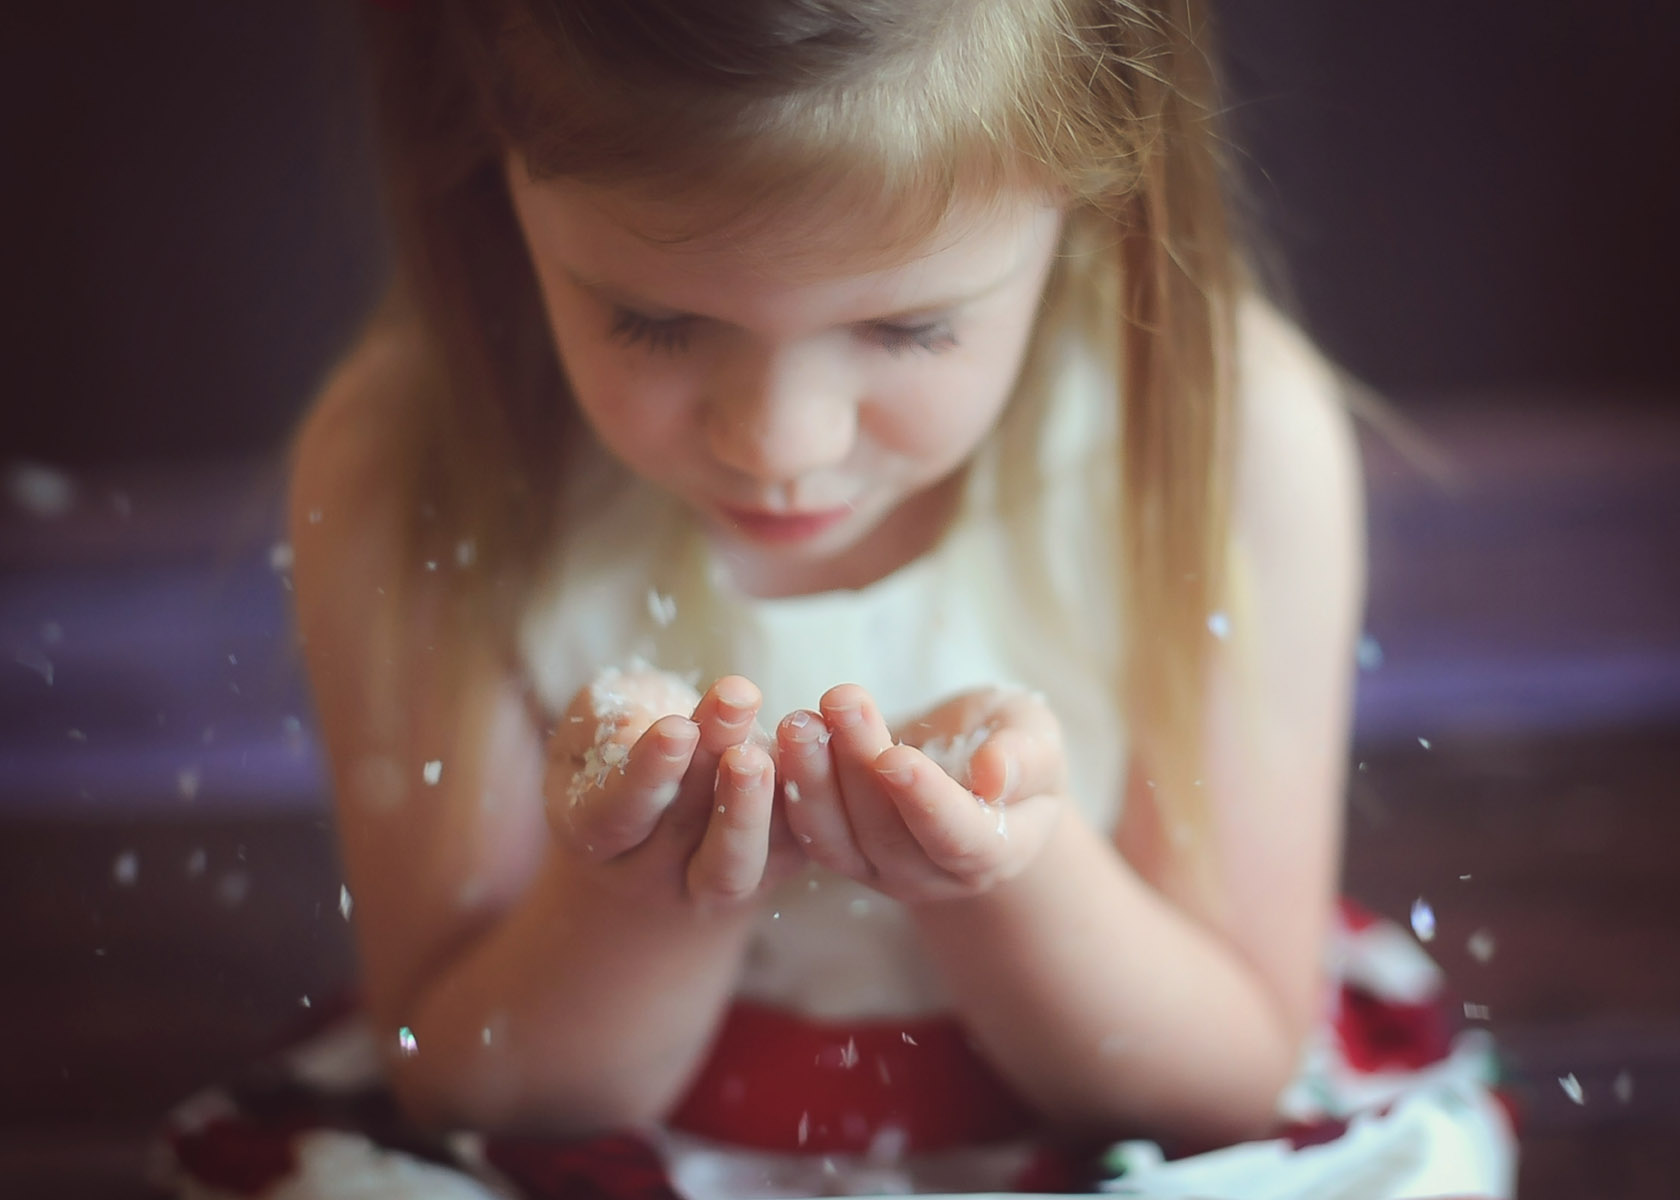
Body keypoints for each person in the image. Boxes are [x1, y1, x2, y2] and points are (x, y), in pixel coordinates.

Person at [161, 1, 1515, 1196]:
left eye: (910, 327)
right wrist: (640, 897)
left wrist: (1005, 879)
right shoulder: (414, 456)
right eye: (654, 320)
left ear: (1095, 180)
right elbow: (473, 1095)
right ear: (497, 161)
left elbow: (1222, 1083)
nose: (781, 443)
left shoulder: (1225, 440)